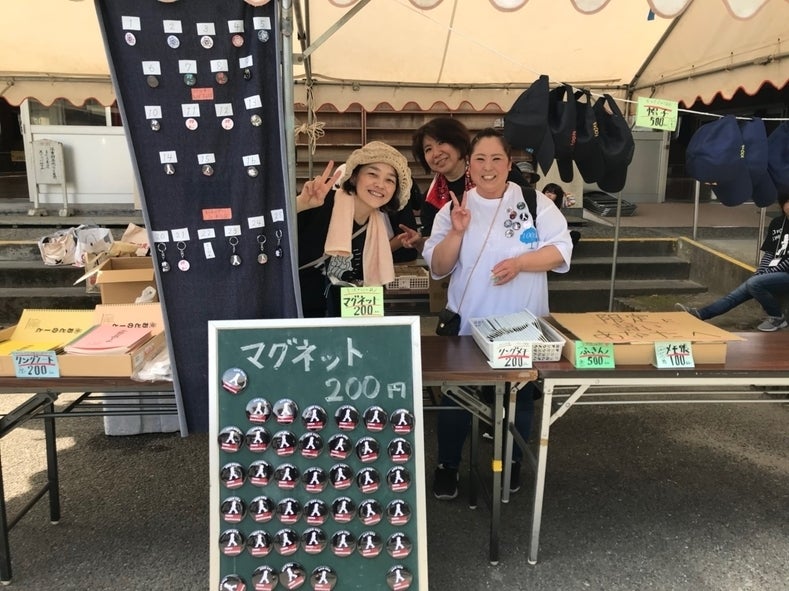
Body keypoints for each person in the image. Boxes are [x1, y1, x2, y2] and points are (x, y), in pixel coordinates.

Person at [422, 128, 574, 499]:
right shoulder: (453, 207)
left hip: (524, 324)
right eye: (480, 159)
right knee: (458, 399)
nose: (488, 167)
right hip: (467, 325)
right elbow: (438, 267)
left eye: (496, 159)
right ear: (469, 165)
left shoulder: (534, 202)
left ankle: (513, 461)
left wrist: (521, 263)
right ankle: (447, 465)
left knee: (518, 399)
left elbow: (561, 250)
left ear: (508, 164)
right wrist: (457, 232)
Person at [296, 141, 417, 317]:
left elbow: (360, 280)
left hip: (338, 316)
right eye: (372, 174)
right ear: (354, 177)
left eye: (389, 180)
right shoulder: (321, 203)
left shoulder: (376, 228)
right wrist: (300, 204)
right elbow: (273, 231)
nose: (380, 184)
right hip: (295, 310)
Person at [399, 117, 530, 250]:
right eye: (428, 149)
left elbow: (531, 209)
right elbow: (434, 247)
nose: (436, 153)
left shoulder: (497, 173)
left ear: (458, 142)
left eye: (441, 142)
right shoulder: (431, 199)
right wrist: (419, 242)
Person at [675, 192, 789, 331]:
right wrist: (761, 271)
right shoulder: (777, 223)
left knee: (754, 283)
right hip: (773, 272)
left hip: (785, 274)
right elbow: (769, 252)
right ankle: (700, 314)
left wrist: (768, 273)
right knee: (736, 294)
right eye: (787, 202)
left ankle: (777, 317)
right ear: (782, 204)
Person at [542, 182, 581, 247]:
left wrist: (566, 194)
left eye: (553, 193)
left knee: (575, 235)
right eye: (547, 192)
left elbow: (572, 202)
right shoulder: (539, 203)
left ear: (557, 195)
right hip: (544, 231)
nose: (549, 195)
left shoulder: (559, 205)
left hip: (557, 230)